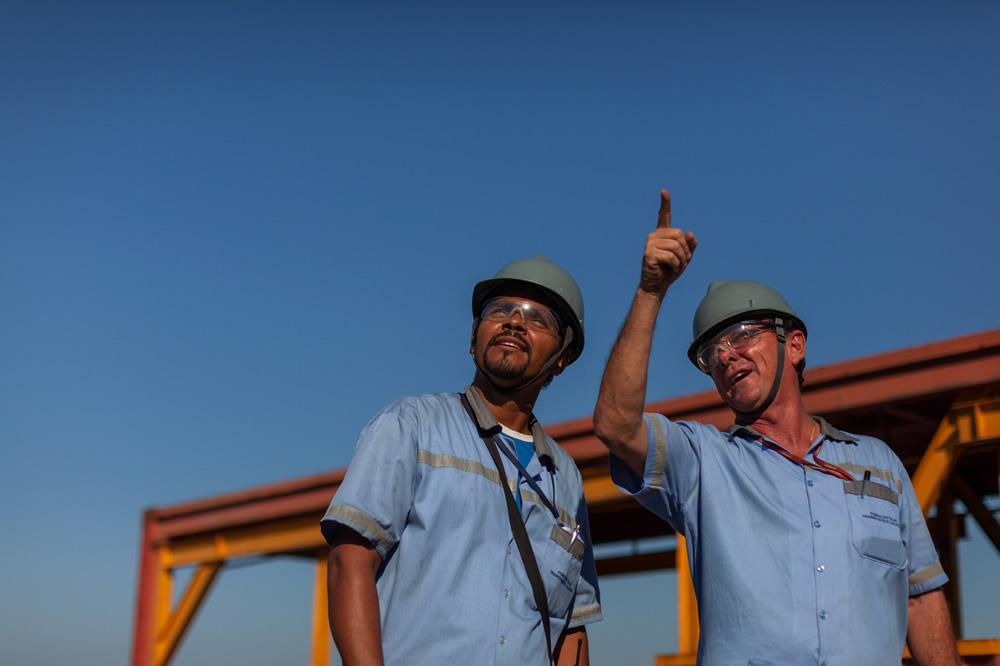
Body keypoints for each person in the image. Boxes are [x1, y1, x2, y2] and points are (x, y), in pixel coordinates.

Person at [592, 190, 960, 665]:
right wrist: (650, 293)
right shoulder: (704, 463)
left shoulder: (879, 464)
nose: (726, 355)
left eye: (743, 335)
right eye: (712, 353)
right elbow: (616, 425)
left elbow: (919, 596)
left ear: (795, 345)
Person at [322, 255, 601, 666]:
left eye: (538, 318)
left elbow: (571, 627)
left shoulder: (565, 477)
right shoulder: (411, 424)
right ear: (474, 340)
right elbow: (350, 560)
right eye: (499, 310)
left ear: (561, 359)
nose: (514, 322)